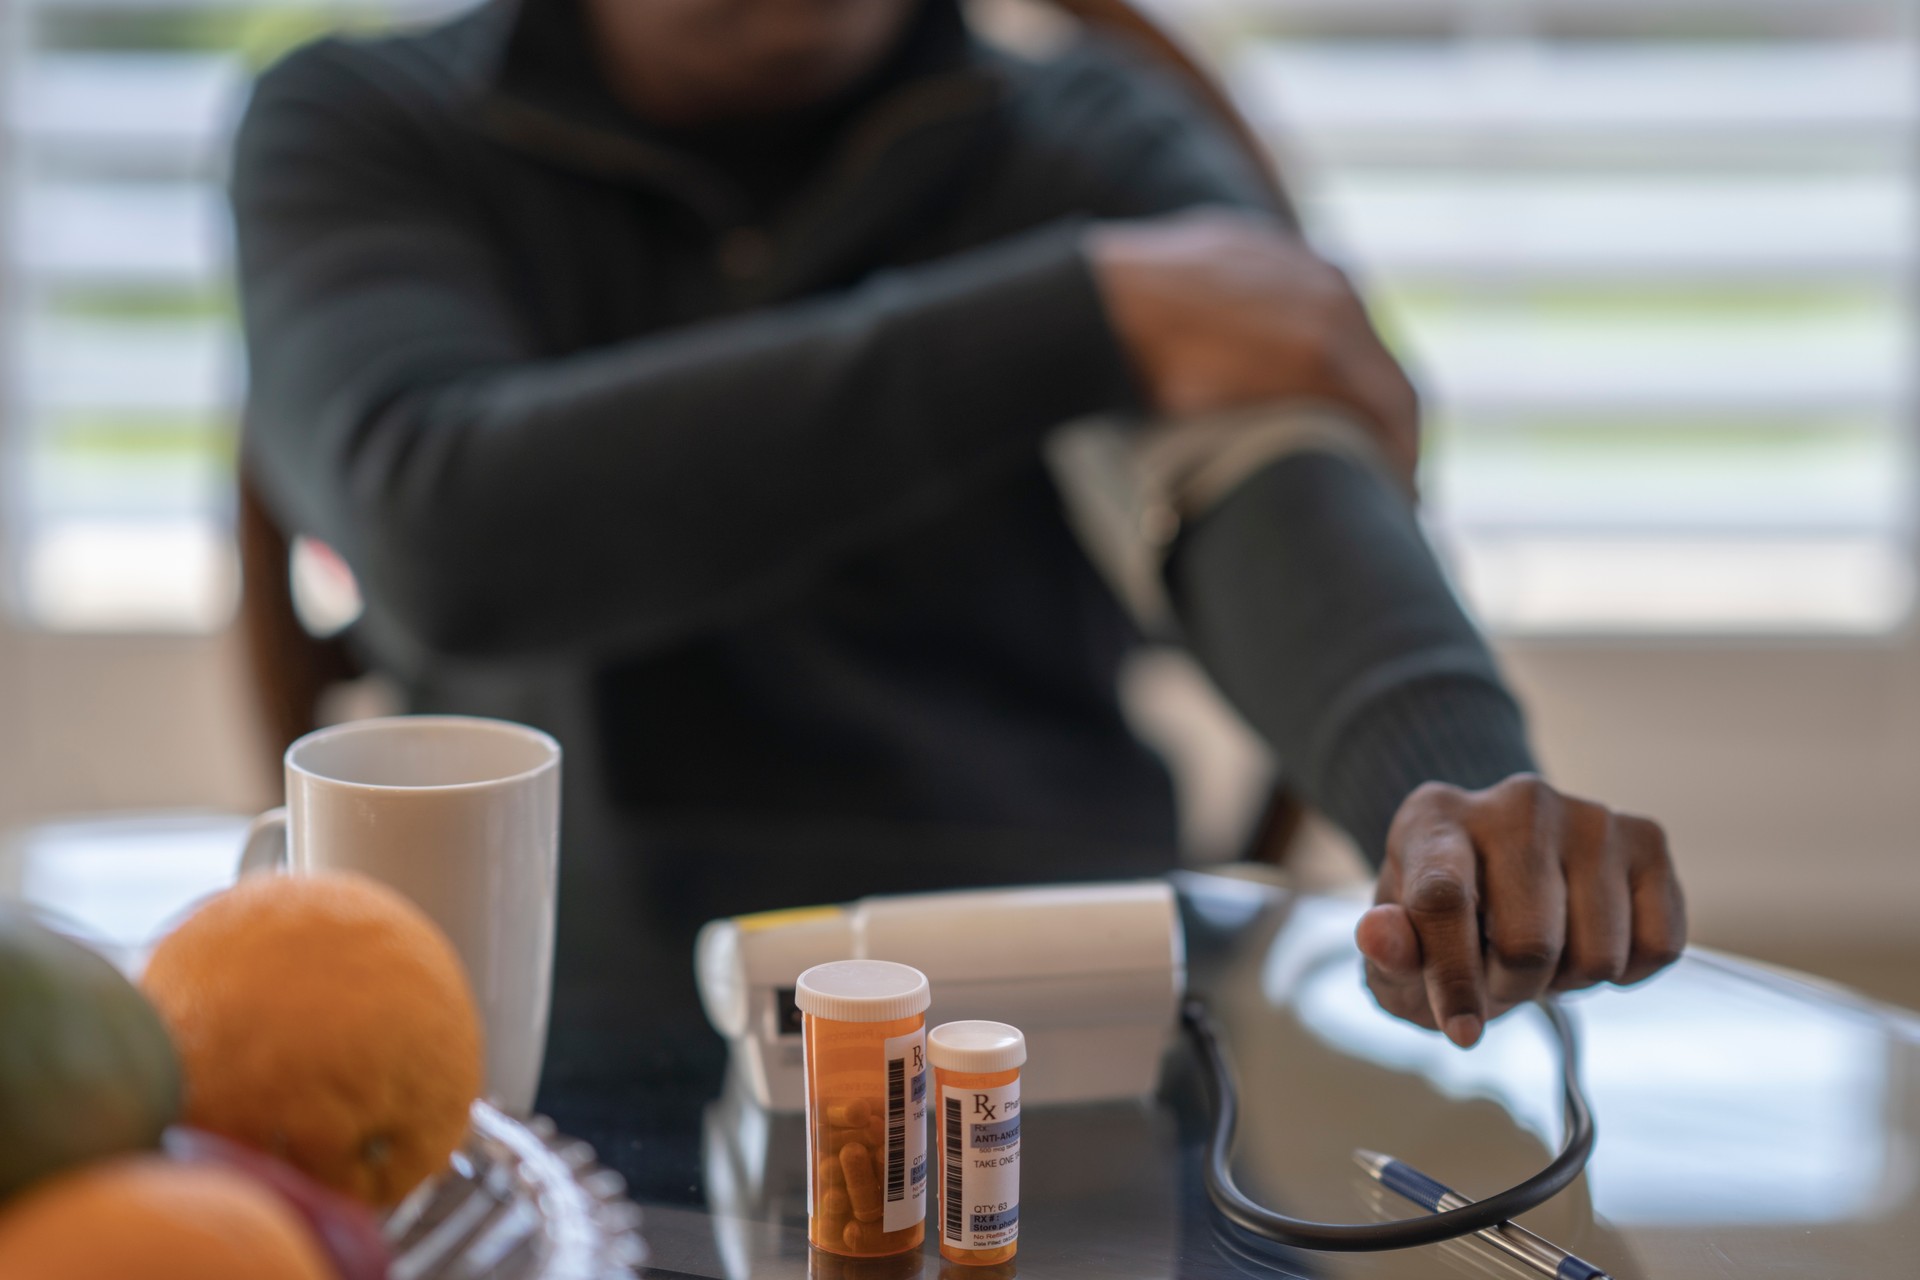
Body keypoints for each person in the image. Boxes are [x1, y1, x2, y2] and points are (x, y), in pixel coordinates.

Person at [231, 0, 1685, 1100]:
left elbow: (1269, 498)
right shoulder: (364, 123)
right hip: (542, 1037)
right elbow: (447, 524)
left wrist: (1440, 785)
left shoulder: (1087, 137)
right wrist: (1082, 312)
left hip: (1042, 1041)